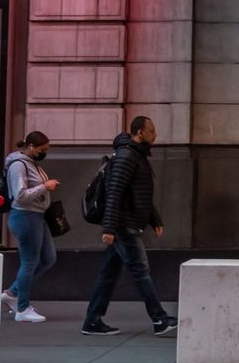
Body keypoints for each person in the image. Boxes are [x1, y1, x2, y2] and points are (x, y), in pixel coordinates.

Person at [82, 116, 178, 337]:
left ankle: (92, 321)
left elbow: (140, 192)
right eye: (152, 131)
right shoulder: (127, 156)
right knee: (141, 270)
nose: (156, 135)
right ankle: (160, 319)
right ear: (140, 133)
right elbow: (114, 192)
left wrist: (155, 219)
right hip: (124, 224)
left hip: (127, 222)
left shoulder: (137, 155)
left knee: (109, 273)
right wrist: (108, 228)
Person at [2, 130, 60, 322]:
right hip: (25, 217)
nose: (45, 153)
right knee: (29, 262)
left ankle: (12, 293)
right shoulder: (18, 166)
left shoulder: (32, 163)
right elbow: (20, 195)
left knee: (48, 258)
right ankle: (22, 308)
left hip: (37, 216)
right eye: (43, 149)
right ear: (32, 147)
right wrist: (45, 186)